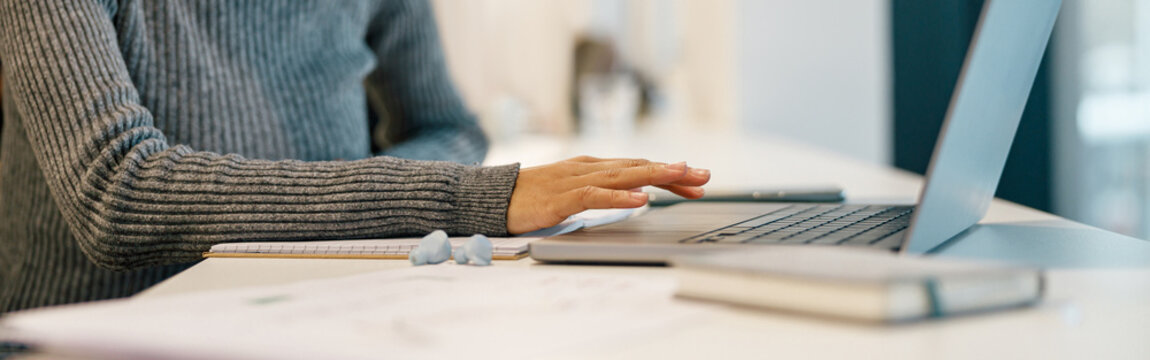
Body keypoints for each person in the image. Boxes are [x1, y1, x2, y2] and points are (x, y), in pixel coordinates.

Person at [0, 0, 709, 313]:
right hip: (97, 333)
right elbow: (116, 196)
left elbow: (447, 127)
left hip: (317, 315)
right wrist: (468, 199)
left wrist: (459, 190)